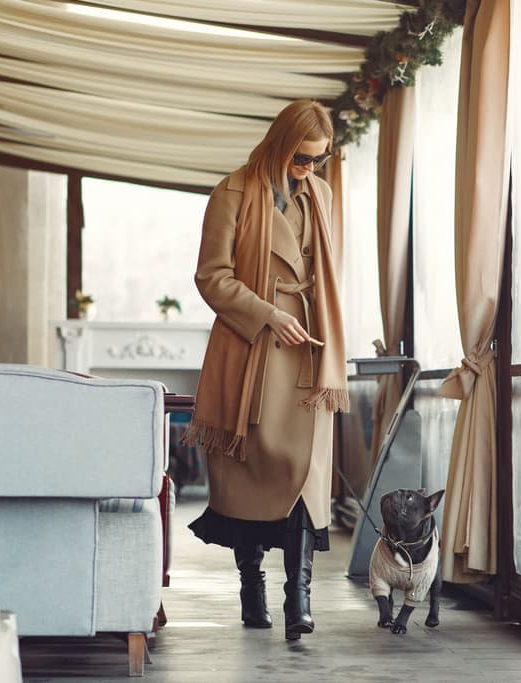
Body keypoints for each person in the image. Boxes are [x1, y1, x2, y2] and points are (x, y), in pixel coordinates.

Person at [184, 99, 348, 641]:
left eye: (319, 161)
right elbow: (211, 276)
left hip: (308, 351)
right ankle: (251, 584)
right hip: (250, 347)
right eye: (303, 159)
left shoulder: (321, 195)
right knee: (255, 474)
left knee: (303, 475)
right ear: (281, 145)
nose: (311, 170)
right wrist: (267, 314)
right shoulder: (232, 191)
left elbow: (328, 274)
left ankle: (298, 601)